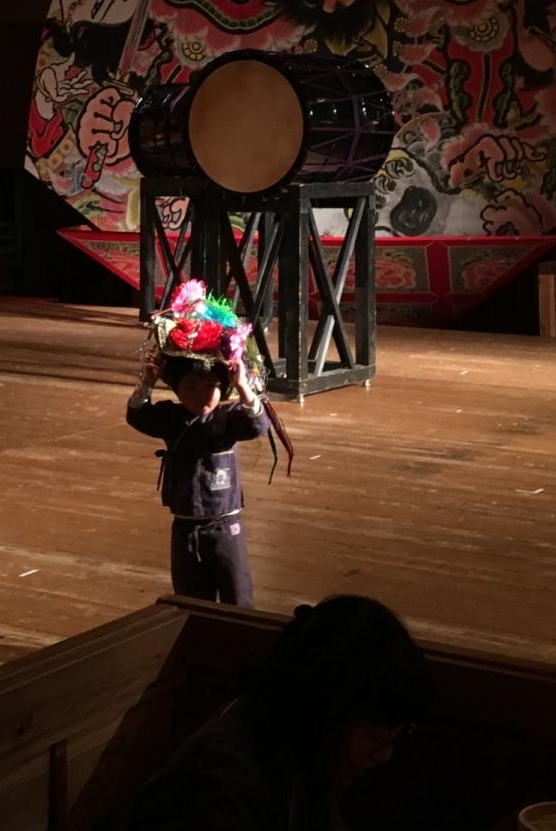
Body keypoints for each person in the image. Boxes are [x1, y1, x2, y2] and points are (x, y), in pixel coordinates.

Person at [129, 594, 434, 831]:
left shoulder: (301, 750)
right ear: (329, 710)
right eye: (378, 740)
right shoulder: (225, 787)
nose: (385, 756)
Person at [126, 279, 283, 606]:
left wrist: (243, 385)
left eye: (211, 387)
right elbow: (138, 416)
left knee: (237, 598)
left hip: (225, 526)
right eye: (191, 388)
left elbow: (257, 424)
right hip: (185, 526)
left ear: (222, 388)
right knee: (190, 600)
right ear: (176, 388)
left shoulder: (228, 419)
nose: (201, 396)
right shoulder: (171, 418)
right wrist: (146, 383)